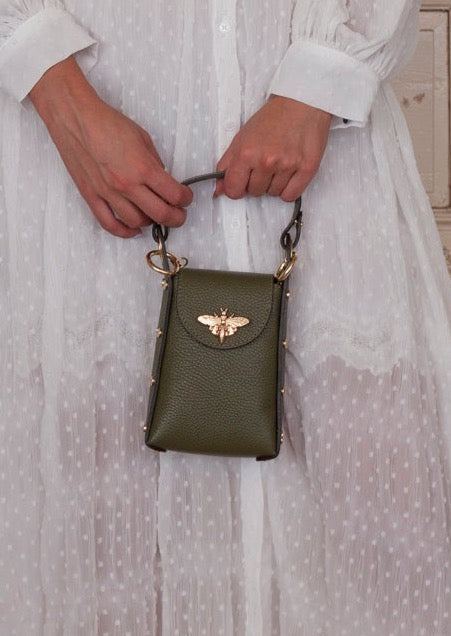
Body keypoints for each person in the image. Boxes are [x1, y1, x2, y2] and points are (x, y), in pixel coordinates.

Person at [1, 0, 450, 634]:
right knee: (95, 544)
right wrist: (61, 95)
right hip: (78, 142)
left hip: (319, 137)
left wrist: (320, 81)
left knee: (372, 535)